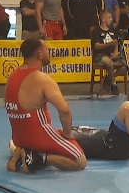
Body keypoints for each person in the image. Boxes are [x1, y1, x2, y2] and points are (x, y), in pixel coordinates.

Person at [5, 38, 87, 173]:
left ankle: (21, 151)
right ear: (39, 54)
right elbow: (64, 110)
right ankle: (37, 157)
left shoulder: (12, 76)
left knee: (49, 136)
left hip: (19, 137)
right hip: (39, 136)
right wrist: (67, 133)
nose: (49, 52)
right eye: (46, 49)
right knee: (80, 162)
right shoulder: (42, 79)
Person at [91, 9, 123, 96]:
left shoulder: (113, 31)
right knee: (109, 63)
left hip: (112, 54)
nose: (111, 19)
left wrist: (116, 52)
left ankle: (108, 79)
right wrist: (109, 44)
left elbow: (117, 43)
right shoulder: (96, 31)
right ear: (103, 19)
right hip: (101, 55)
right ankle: (113, 84)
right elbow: (97, 46)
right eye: (109, 17)